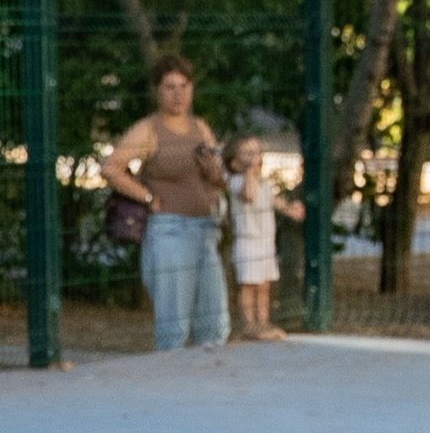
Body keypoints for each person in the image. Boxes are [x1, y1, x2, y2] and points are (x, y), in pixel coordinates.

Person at [105, 59, 230, 352]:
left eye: (184, 86)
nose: (178, 94)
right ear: (157, 91)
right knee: (174, 326)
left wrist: (213, 168)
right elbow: (111, 168)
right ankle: (171, 387)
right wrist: (147, 198)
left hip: (205, 229)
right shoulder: (148, 129)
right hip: (170, 231)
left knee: (214, 323)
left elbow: (219, 179)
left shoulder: (200, 127)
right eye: (170, 87)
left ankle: (208, 388)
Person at [226, 134, 305, 340]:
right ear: (234, 162)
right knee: (248, 285)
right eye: (247, 153)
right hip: (247, 241)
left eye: (256, 151)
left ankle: (263, 322)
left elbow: (272, 200)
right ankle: (249, 324)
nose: (254, 156)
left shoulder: (263, 182)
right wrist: (248, 171)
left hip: (265, 242)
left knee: (264, 285)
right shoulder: (236, 181)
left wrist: (289, 209)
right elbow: (249, 195)